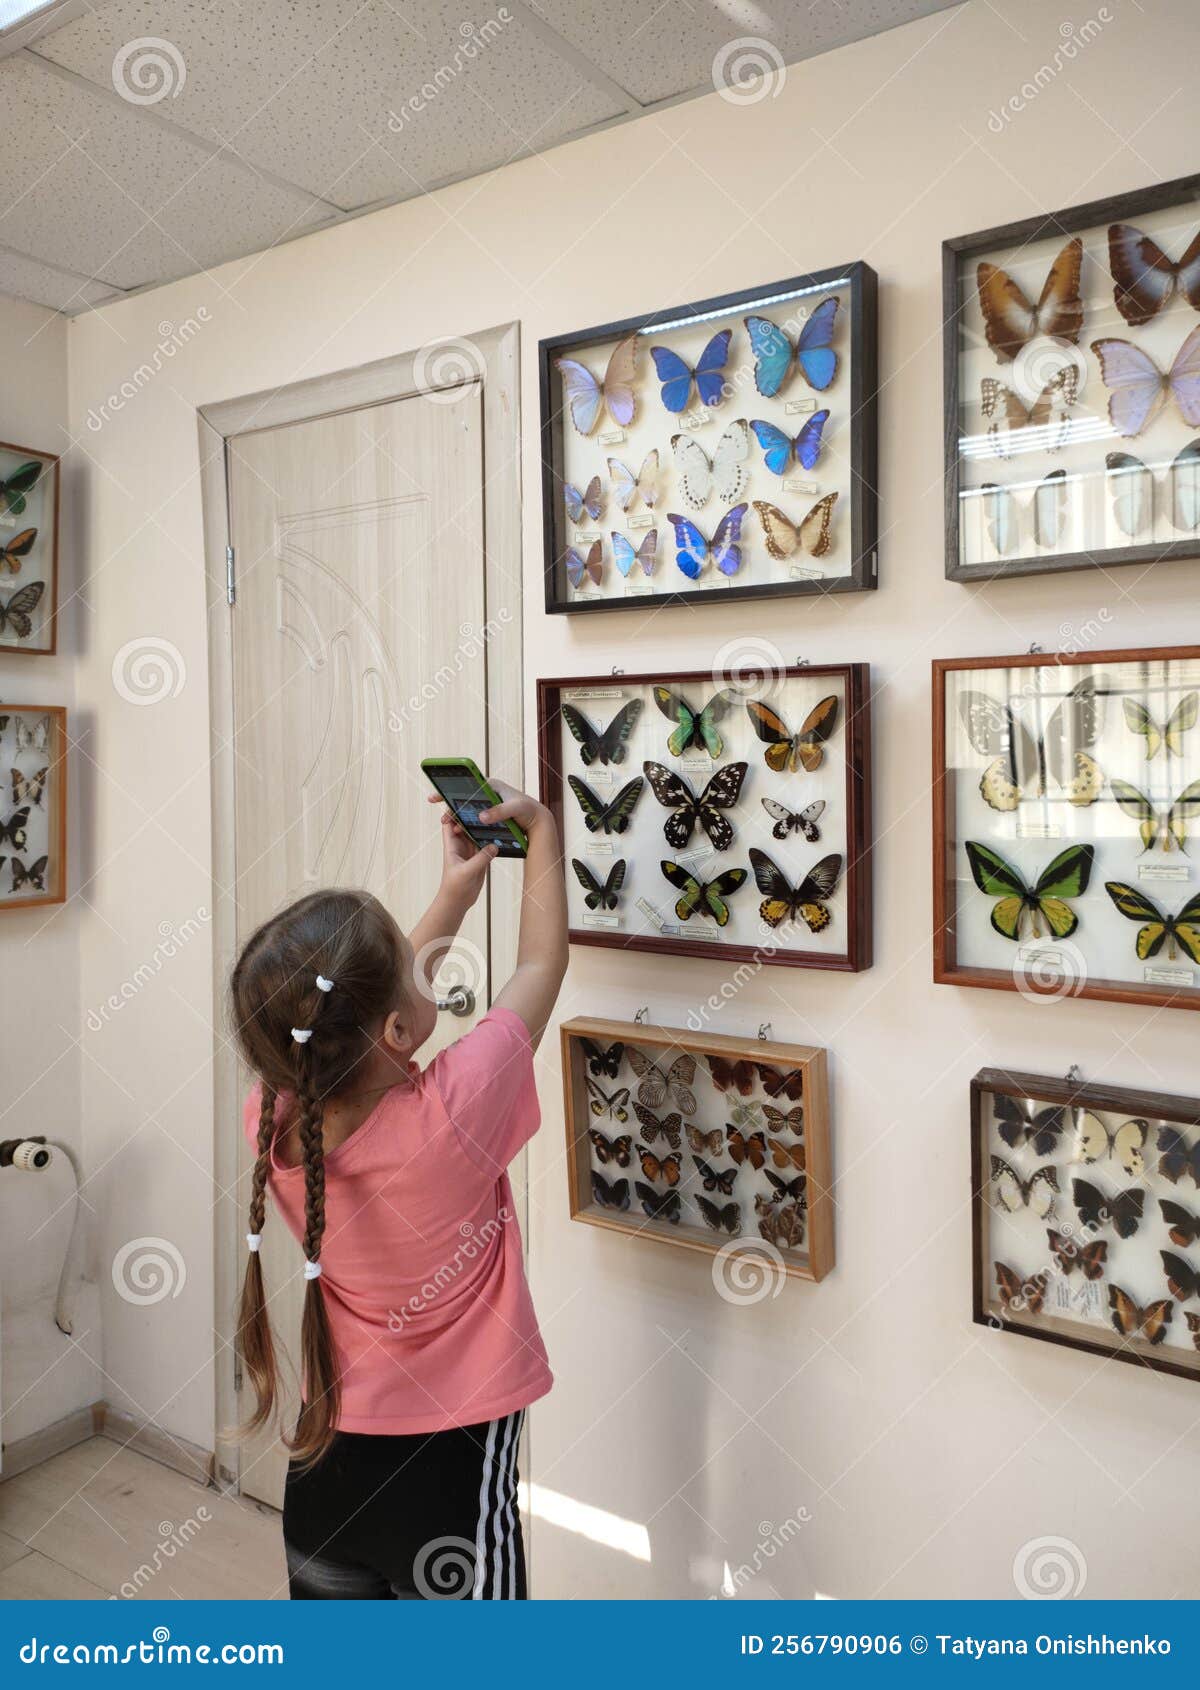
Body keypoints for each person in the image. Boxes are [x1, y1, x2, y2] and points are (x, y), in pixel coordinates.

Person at [229, 782, 567, 1599]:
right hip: (446, 1476)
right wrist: (545, 834)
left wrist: (455, 893)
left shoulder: (271, 1118)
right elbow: (540, 963)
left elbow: (357, 1015)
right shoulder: (450, 1115)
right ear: (397, 1030)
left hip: (325, 1468)